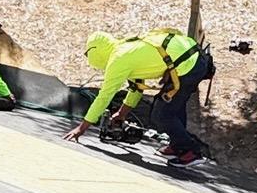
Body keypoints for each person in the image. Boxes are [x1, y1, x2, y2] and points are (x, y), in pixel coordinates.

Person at [65, 28, 215, 164]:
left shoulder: (118, 60)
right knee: (173, 106)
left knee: (161, 114)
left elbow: (104, 96)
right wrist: (121, 114)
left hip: (188, 64)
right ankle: (178, 146)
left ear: (95, 52)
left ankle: (191, 151)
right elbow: (136, 87)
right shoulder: (125, 48)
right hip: (193, 58)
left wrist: (81, 129)